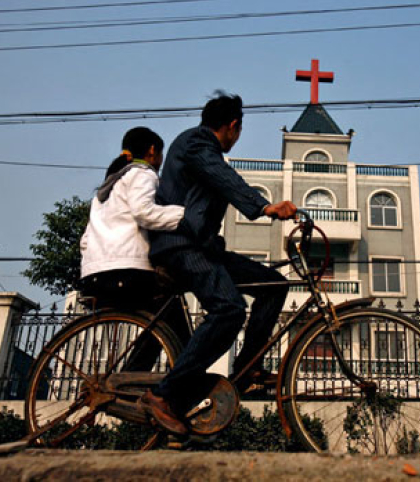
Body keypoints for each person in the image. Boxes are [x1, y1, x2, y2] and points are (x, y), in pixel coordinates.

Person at [141, 92, 296, 435]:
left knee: (274, 285)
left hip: (203, 247)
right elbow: (223, 178)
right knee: (229, 309)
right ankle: (164, 395)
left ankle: (247, 371)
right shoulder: (196, 142)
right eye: (237, 132)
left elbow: (217, 182)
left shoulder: (200, 149)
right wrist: (264, 206)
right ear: (233, 126)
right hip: (181, 245)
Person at [79, 126, 185, 306]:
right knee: (174, 306)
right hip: (130, 272)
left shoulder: (104, 192)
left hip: (93, 276)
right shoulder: (142, 174)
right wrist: (185, 214)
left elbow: (84, 242)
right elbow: (144, 212)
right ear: (152, 150)